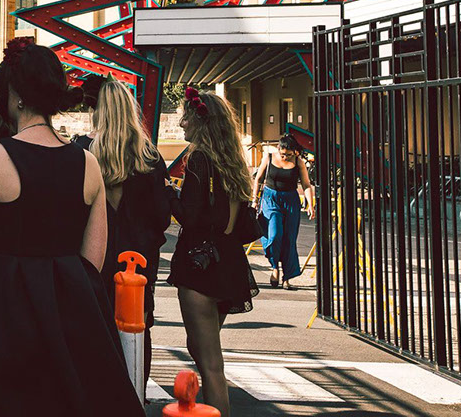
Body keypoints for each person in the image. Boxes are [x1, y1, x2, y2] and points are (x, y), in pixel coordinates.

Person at [0, 38, 142, 416]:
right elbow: (92, 261)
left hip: (5, 322)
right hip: (75, 323)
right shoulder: (87, 163)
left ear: (14, 95)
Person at [72, 77, 172, 388]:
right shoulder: (150, 157)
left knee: (91, 332)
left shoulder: (81, 151)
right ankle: (135, 397)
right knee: (137, 330)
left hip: (93, 258)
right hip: (139, 263)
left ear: (97, 111)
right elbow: (162, 217)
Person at [168, 87, 259, 417]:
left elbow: (190, 217)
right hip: (230, 262)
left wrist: (167, 193)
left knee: (210, 364)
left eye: (186, 117)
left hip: (200, 265)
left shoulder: (199, 159)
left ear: (199, 120)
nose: (181, 124)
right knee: (203, 351)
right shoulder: (234, 161)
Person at [252, 133, 315, 288]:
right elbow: (258, 179)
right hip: (270, 199)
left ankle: (287, 277)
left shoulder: (298, 162)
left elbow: (306, 185)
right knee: (273, 235)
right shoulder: (268, 157)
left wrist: (310, 205)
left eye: (288, 154)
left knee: (289, 239)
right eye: (282, 154)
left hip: (290, 201)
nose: (285, 156)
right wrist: (254, 200)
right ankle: (275, 267)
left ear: (294, 151)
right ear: (278, 148)